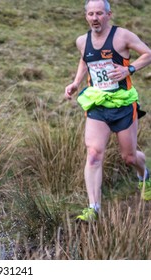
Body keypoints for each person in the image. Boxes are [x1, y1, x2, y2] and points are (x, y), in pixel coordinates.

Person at [64, 0, 151, 222]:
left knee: (129, 157)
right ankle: (93, 208)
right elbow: (85, 61)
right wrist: (75, 83)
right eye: (91, 14)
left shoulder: (122, 36)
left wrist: (128, 69)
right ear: (86, 17)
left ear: (109, 14)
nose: (95, 18)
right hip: (98, 103)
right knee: (93, 154)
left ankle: (145, 174)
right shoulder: (82, 41)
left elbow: (148, 54)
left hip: (123, 104)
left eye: (99, 13)